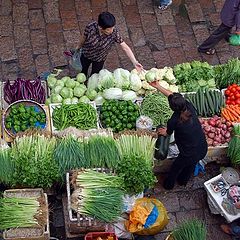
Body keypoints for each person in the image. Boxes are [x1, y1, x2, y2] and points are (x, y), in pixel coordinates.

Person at [149, 81, 208, 190]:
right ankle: (182, 181)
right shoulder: (189, 105)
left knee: (175, 168)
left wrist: (163, 131)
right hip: (202, 147)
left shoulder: (173, 121)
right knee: (191, 165)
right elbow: (171, 95)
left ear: (172, 108)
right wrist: (157, 86)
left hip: (188, 153)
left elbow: (167, 133)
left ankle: (168, 185)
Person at [76, 12, 143, 77]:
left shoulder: (114, 33)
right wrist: (78, 47)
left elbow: (125, 47)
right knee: (83, 71)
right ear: (100, 27)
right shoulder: (90, 27)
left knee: (95, 75)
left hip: (100, 59)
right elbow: (84, 37)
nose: (112, 30)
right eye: (109, 29)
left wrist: (134, 62)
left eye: (113, 27)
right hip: (86, 55)